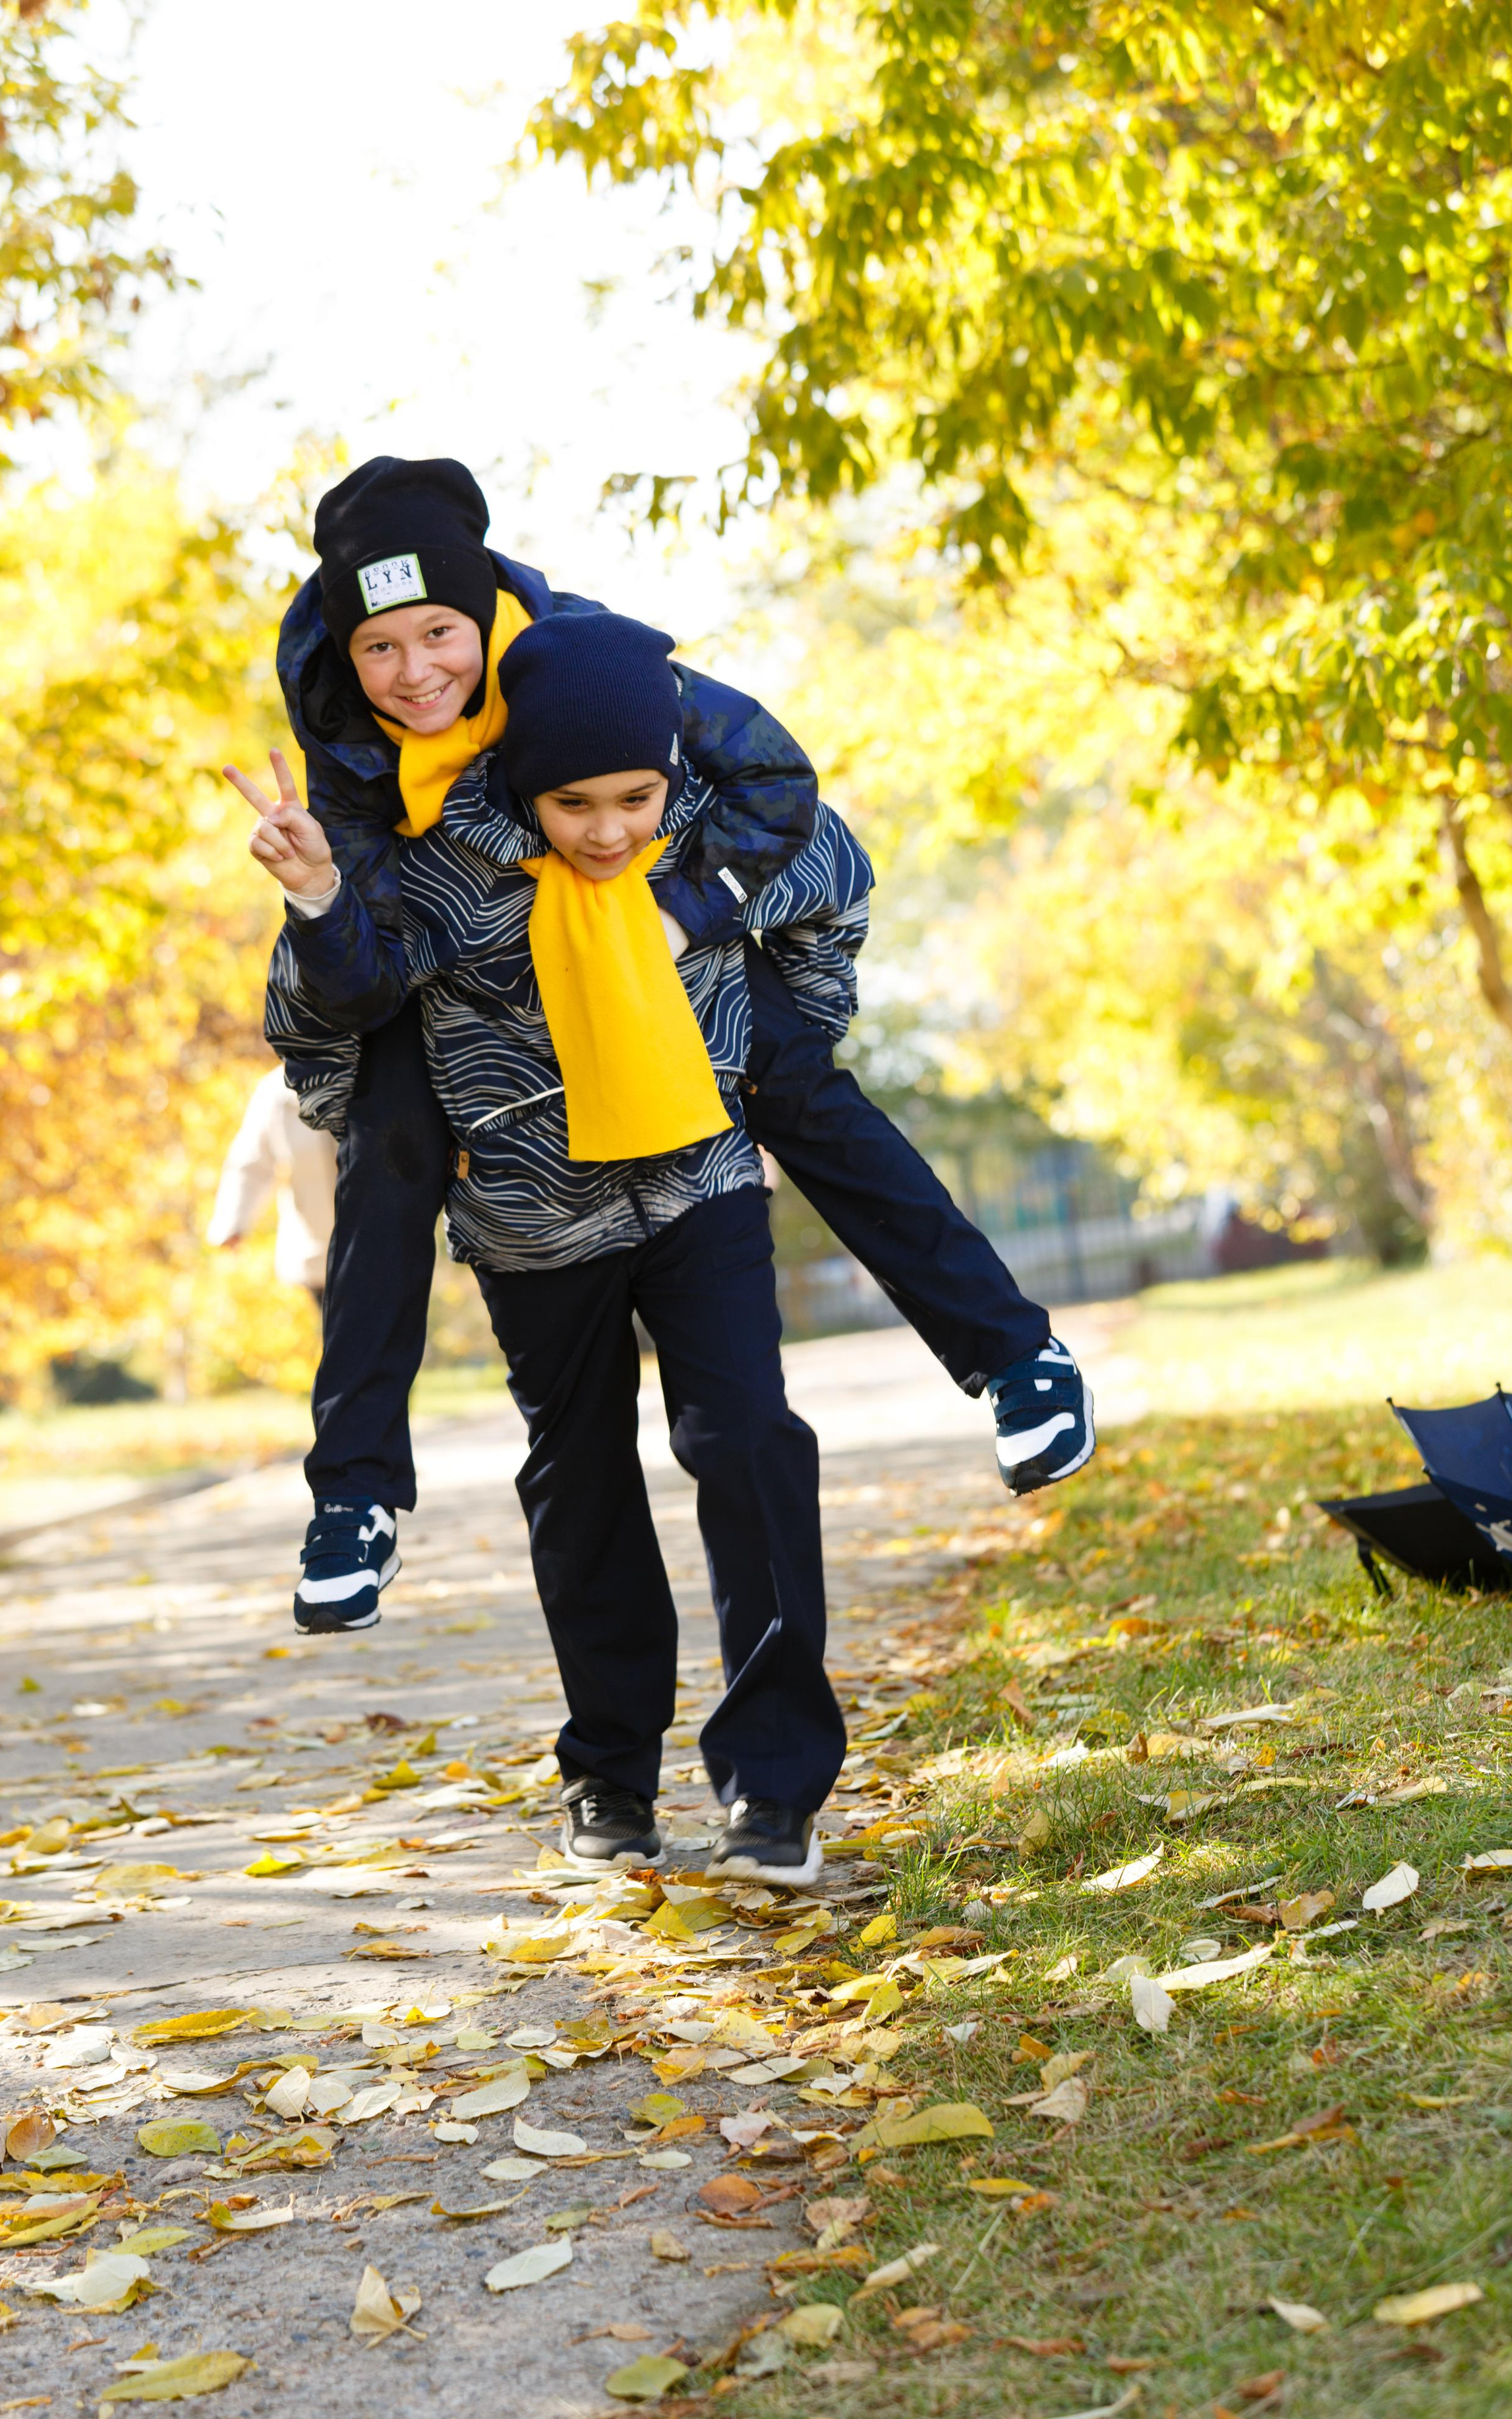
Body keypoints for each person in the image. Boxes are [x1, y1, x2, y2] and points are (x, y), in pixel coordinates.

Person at [227, 454, 1093, 1634]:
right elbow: (372, 977)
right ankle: (356, 1496)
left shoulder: (588, 664)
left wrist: (689, 911)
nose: (415, 672)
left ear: (481, 610)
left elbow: (781, 778)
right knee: (389, 1138)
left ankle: (1015, 1359)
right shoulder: (345, 746)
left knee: (788, 1072)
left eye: (439, 633)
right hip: (476, 989)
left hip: (667, 946)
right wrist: (323, 896)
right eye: (381, 647)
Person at [246, 611, 869, 1884]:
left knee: (749, 1441)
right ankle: (609, 1780)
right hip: (534, 1225)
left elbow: (831, 888)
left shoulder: (701, 820)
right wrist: (428, 1114)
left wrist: (769, 1052)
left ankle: (775, 1788)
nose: (606, 829)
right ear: (524, 786)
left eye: (630, 799)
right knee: (580, 1485)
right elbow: (321, 1027)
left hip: (700, 1186)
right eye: (572, 803)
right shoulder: (433, 864)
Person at [206, 1065, 337, 1322]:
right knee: (344, 1342)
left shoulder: (370, 1070)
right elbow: (250, 1163)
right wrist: (232, 1223)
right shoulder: (275, 1092)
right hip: (317, 1253)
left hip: (375, 1246)